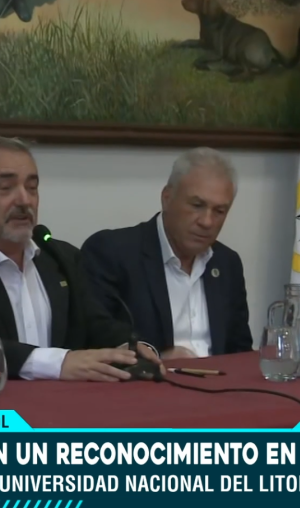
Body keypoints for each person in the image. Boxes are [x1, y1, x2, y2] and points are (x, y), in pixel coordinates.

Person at [0, 135, 164, 382]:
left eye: (32, 187)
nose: (24, 200)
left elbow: (95, 324)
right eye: (6, 187)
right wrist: (55, 363)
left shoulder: (60, 257)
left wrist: (131, 348)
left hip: (60, 408)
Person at [80, 147, 253, 359]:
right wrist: (157, 358)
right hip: (148, 378)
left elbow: (240, 352)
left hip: (219, 379)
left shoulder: (227, 263)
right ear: (167, 197)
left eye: (219, 211)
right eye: (197, 205)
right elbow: (95, 339)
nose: (207, 222)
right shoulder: (111, 253)